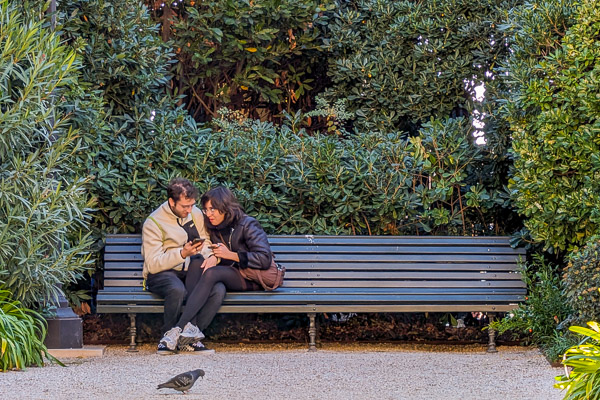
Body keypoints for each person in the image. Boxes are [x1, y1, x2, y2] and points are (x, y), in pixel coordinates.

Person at [164, 186, 271, 346]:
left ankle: (178, 328)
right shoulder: (215, 227)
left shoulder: (247, 224)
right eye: (206, 210)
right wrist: (215, 256)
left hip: (252, 277)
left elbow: (264, 258)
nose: (208, 214)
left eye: (213, 209)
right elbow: (216, 252)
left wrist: (231, 255)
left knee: (212, 274)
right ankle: (190, 333)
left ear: (225, 207)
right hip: (229, 274)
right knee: (197, 262)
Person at [142, 178, 225, 355]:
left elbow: (205, 241)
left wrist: (211, 257)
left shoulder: (194, 213)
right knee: (177, 290)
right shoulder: (154, 222)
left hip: (191, 270)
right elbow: (153, 263)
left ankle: (189, 337)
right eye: (184, 207)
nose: (189, 211)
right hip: (163, 273)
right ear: (172, 202)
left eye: (192, 205)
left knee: (218, 289)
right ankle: (168, 335)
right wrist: (181, 254)